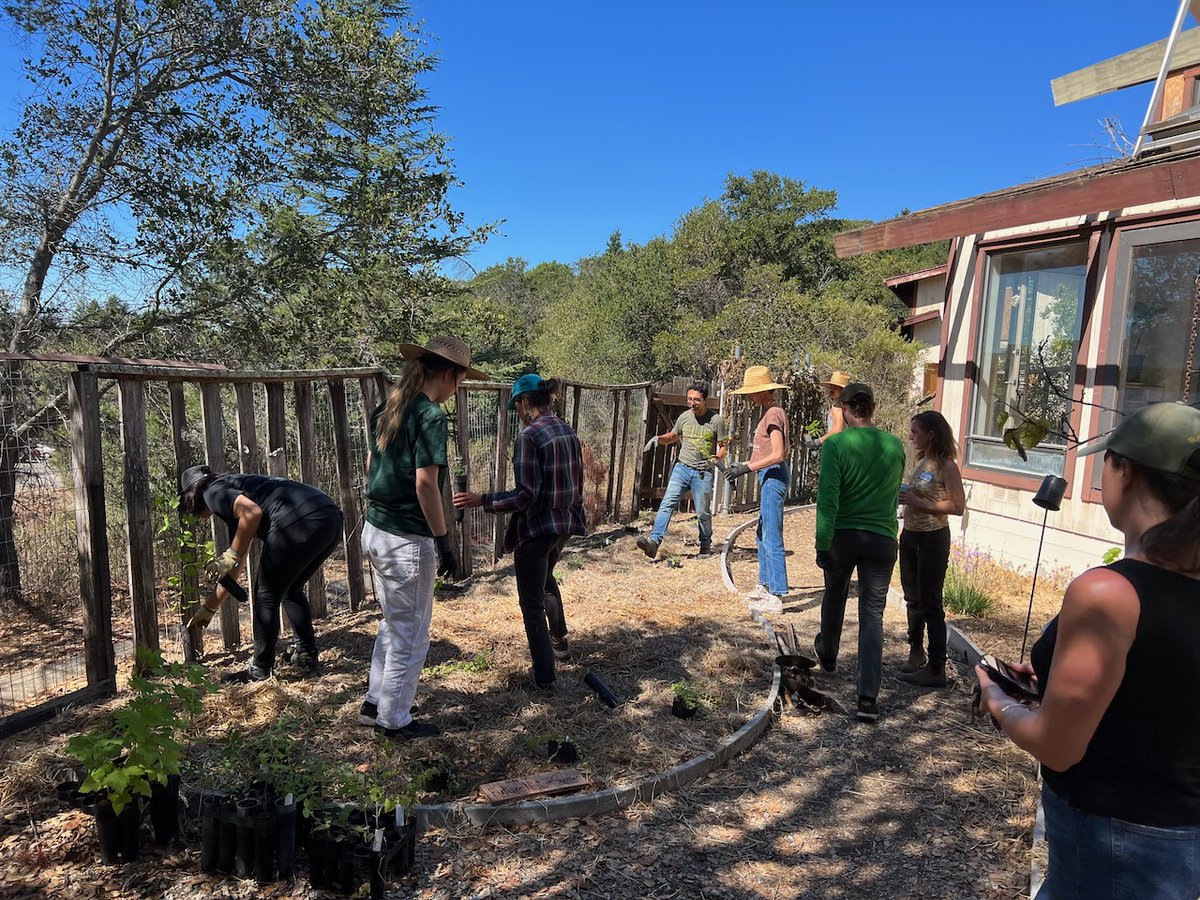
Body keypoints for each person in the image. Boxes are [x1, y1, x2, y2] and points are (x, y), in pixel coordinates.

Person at [976, 402, 1200, 898]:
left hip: (1115, 850)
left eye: (1107, 461)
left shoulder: (1109, 593)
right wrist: (1056, 689)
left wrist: (1001, 703)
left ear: (1128, 472)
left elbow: (1057, 746)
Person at [359, 335, 484, 740]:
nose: (456, 391)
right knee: (412, 635)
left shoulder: (391, 405)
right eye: (459, 382)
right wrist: (444, 541)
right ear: (449, 374)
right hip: (405, 540)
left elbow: (370, 462)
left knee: (393, 624)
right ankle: (394, 720)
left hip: (376, 529)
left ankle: (375, 702)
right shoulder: (429, 415)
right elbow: (426, 485)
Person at [455, 374, 586, 691]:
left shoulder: (530, 437)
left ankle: (545, 677)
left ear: (525, 402)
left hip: (538, 529)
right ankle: (559, 640)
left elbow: (525, 495)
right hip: (564, 526)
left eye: (516, 406)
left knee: (531, 605)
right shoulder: (567, 431)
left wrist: (482, 500)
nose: (517, 412)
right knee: (545, 578)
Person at [181, 466, 343, 682]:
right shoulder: (236, 489)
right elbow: (237, 561)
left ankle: (260, 670)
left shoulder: (211, 490)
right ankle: (305, 654)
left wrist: (230, 554)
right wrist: (210, 607)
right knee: (290, 588)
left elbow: (252, 513)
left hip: (299, 520)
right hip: (329, 517)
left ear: (192, 495)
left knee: (266, 596)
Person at [811, 382, 905, 723]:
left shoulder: (836, 445)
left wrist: (822, 543)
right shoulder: (895, 446)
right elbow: (894, 496)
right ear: (873, 407)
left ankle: (829, 655)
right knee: (872, 615)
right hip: (881, 539)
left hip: (844, 536)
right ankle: (867, 698)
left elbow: (829, 498)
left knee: (834, 596)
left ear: (845, 408)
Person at [897, 411, 966, 688]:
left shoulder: (947, 466)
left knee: (931, 603)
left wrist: (918, 501)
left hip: (933, 538)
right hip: (911, 535)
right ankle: (916, 652)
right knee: (912, 598)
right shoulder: (922, 461)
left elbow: (957, 507)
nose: (911, 436)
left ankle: (937, 667)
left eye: (916, 432)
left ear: (931, 434)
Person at [724, 365, 791, 614]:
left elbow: (777, 453)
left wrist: (746, 467)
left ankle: (776, 594)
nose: (749, 397)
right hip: (768, 476)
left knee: (772, 535)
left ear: (763, 391)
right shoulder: (768, 411)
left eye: (752, 392)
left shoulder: (773, 414)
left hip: (774, 476)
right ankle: (764, 586)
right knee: (762, 533)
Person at [638, 382, 727, 560]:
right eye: (689, 399)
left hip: (702, 472)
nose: (692, 403)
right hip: (682, 468)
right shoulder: (684, 417)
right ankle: (654, 543)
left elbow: (723, 446)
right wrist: (658, 439)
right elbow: (673, 436)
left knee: (702, 512)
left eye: (696, 400)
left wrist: (714, 461)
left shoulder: (715, 420)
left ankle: (705, 545)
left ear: (705, 400)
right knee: (667, 504)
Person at [815, 370, 852, 448]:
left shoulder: (838, 407)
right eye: (831, 386)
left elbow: (838, 430)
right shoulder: (850, 406)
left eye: (835, 388)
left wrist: (819, 441)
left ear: (843, 390)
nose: (831, 390)